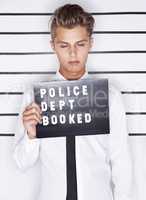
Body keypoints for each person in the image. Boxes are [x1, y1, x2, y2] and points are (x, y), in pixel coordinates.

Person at [13, 4, 132, 200]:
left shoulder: (110, 97)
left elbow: (121, 163)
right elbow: (21, 163)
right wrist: (31, 135)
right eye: (64, 45)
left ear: (90, 44)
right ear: (53, 46)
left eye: (80, 44)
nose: (73, 54)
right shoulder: (33, 98)